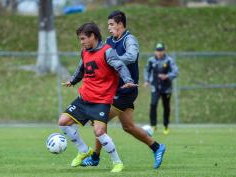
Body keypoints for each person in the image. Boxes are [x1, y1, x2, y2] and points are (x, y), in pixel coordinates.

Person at [81, 10, 166, 170]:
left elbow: (132, 56)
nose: (109, 28)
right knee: (128, 127)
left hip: (127, 90)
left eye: (112, 24)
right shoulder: (108, 41)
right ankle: (157, 147)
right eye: (108, 25)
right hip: (113, 90)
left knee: (100, 120)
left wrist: (111, 60)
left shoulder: (130, 39)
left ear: (120, 24)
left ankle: (95, 157)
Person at [58, 22, 138, 173]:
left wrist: (128, 81)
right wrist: (72, 81)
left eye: (83, 39)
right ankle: (83, 150)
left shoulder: (107, 52)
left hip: (101, 100)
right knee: (63, 122)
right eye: (80, 39)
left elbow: (120, 66)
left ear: (92, 36)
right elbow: (81, 68)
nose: (81, 42)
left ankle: (117, 162)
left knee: (99, 132)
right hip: (84, 98)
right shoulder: (85, 52)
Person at [144, 42, 179, 135]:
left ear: (164, 51)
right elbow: (147, 70)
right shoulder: (151, 60)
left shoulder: (169, 60)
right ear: (155, 51)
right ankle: (153, 125)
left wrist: (167, 76)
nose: (159, 52)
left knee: (166, 107)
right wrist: (147, 80)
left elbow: (175, 71)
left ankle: (166, 126)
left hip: (166, 88)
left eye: (160, 50)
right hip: (155, 87)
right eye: (157, 50)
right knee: (153, 104)